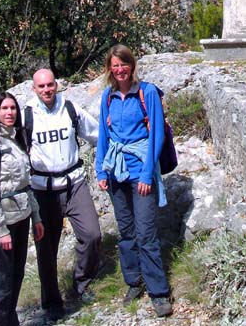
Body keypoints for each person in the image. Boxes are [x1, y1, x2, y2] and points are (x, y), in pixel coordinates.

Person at [96, 44, 173, 318]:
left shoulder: (147, 92)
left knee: (146, 232)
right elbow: (104, 136)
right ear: (110, 69)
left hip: (140, 170)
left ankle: (159, 292)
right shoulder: (108, 96)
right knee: (126, 232)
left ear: (132, 65)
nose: (119, 70)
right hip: (116, 172)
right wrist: (101, 171)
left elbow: (157, 136)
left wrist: (146, 173)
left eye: (123, 64)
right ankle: (133, 282)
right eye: (114, 66)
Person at [25, 68, 101, 322]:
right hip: (42, 190)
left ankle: (81, 284)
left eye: (50, 85)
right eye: (41, 86)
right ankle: (52, 302)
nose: (47, 90)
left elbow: (96, 134)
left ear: (56, 84)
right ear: (34, 89)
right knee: (46, 248)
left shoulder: (70, 109)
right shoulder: (27, 116)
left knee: (92, 235)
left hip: (74, 183)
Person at [0, 92, 44, 326]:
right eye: (4, 108)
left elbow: (26, 184)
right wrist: (1, 229)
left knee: (16, 277)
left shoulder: (15, 140)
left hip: (22, 216)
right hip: (3, 222)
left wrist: (37, 217)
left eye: (13, 108)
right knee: (2, 282)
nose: (9, 113)